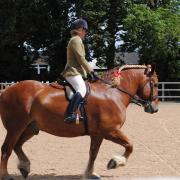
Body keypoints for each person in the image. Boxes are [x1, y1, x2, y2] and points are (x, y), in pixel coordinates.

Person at [61, 18, 96, 123]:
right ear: (80, 29)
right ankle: (70, 114)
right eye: (85, 30)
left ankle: (78, 114)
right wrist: (91, 71)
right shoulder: (76, 39)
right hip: (72, 72)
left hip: (76, 72)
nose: (85, 33)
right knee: (82, 89)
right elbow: (81, 58)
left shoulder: (75, 39)